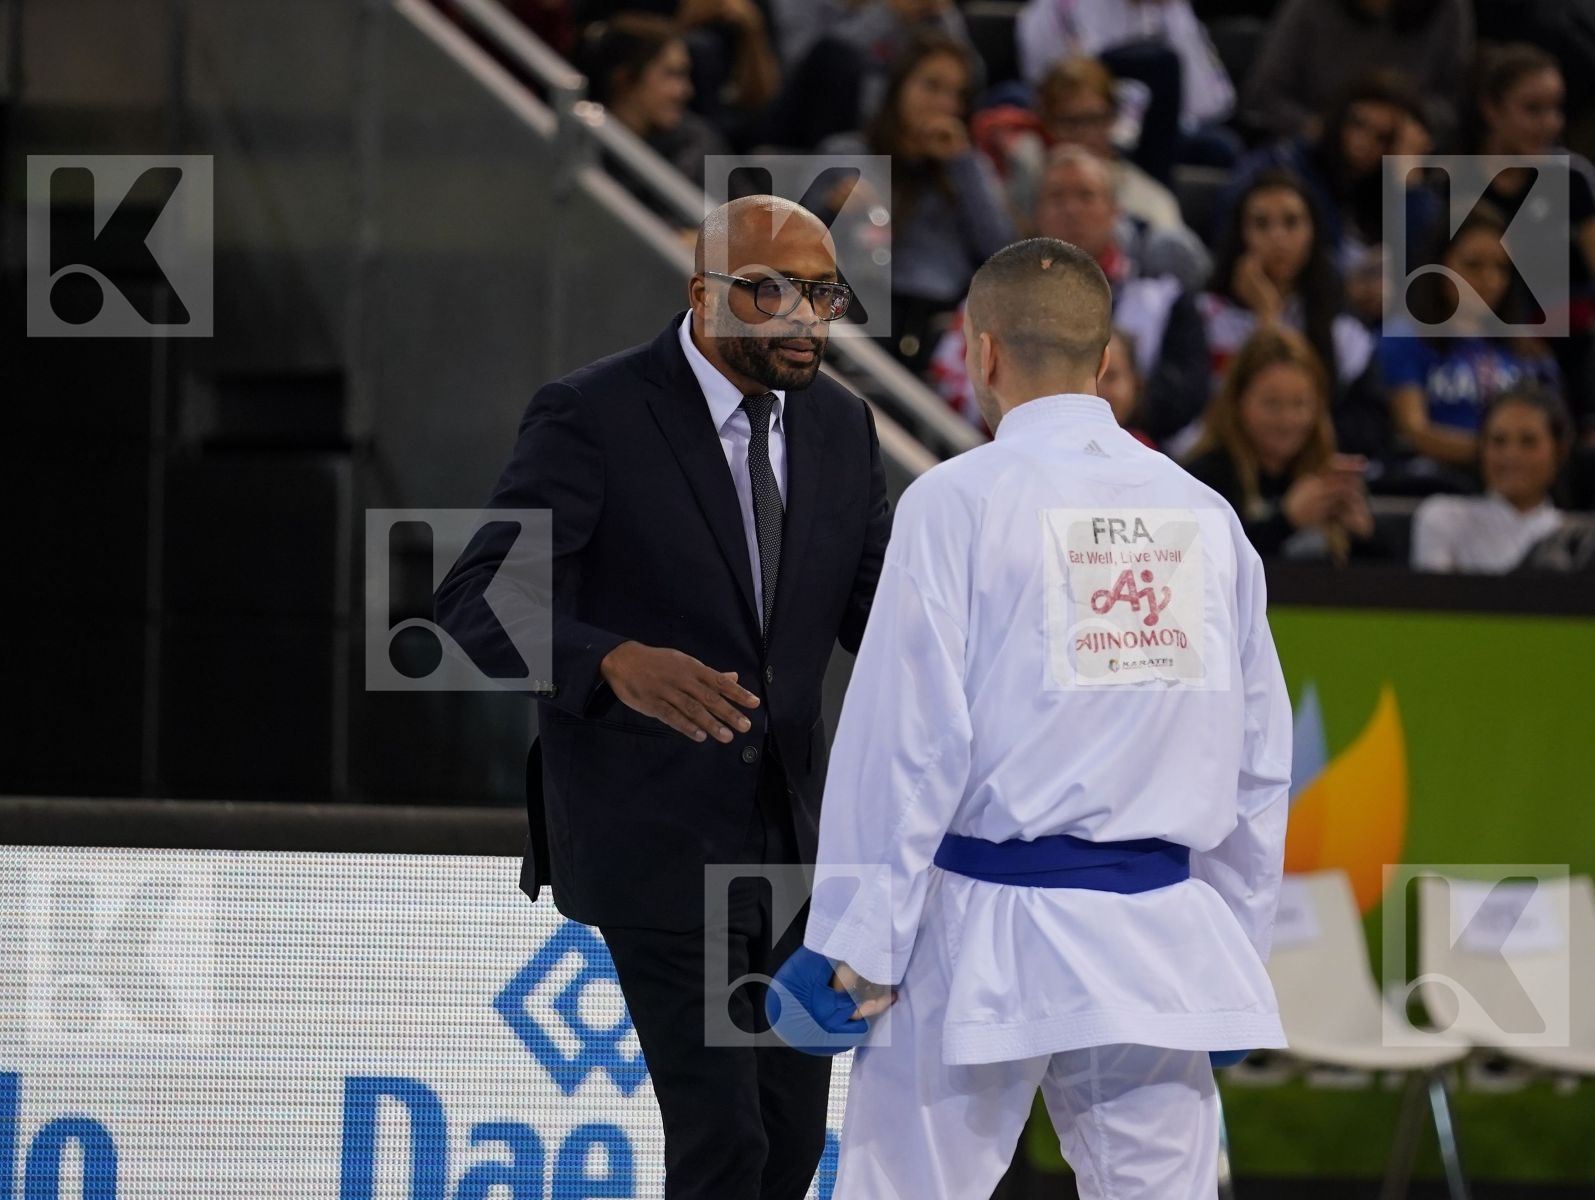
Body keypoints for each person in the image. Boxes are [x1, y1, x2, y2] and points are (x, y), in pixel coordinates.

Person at [776, 237, 1292, 1198]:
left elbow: (905, 744)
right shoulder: (1209, 519)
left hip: (983, 934)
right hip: (1158, 944)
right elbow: (1259, 767)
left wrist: (856, 943)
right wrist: (1232, 954)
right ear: (1105, 364)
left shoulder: (955, 503)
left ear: (980, 355)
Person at [434, 195, 891, 1198]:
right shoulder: (592, 413)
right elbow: (474, 604)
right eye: (769, 290)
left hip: (787, 851)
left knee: (779, 1152)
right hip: (653, 836)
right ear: (703, 294)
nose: (801, 317)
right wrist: (606, 661)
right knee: (723, 1144)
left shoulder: (843, 429)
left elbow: (892, 629)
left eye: (820, 293)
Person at [928, 146, 1210, 440]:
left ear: (1115, 211)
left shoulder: (1164, 299)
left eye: (1086, 196)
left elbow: (1185, 396)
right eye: (1057, 197)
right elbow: (950, 382)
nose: (1072, 210)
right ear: (1036, 213)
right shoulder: (991, 294)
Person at [819, 33, 1015, 370]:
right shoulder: (847, 154)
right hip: (855, 314)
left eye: (958, 95)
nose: (945, 104)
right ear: (899, 88)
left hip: (935, 324)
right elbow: (789, 239)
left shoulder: (968, 168)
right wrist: (831, 210)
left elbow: (1002, 252)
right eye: (932, 86)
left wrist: (962, 165)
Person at [1379, 206, 1562, 474]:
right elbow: (1415, 430)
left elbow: (1554, 430)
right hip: (1437, 484)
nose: (1489, 279)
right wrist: (1500, 457)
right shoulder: (1404, 337)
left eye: (1501, 267)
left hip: (1521, 489)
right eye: (1473, 265)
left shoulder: (1527, 348)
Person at [1184, 327, 1375, 562]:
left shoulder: (1328, 474)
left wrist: (1364, 534)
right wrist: (1286, 521)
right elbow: (1205, 564)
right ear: (1237, 402)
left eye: (1300, 404)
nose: (1287, 421)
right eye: (1271, 404)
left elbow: (1390, 579)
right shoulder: (1202, 479)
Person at [974, 56, 1195, 236]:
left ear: (1112, 120)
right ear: (1047, 124)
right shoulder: (1022, 170)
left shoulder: (1150, 201)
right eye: (1070, 122)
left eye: (1095, 119)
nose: (1084, 134)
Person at [1241, 0, 1473, 148]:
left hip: (1408, 152)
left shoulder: (1448, 10)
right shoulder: (1307, 8)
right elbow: (1264, 93)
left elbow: (1455, 101)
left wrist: (1398, 128)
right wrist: (1318, 129)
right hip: (1317, 152)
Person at [578, 13, 728, 218]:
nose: (685, 91)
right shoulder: (583, 151)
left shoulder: (697, 140)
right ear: (623, 79)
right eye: (672, 74)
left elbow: (752, 226)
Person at [1411, 385, 1571, 572]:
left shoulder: (1575, 542)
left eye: (1528, 441)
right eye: (1498, 440)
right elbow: (1433, 597)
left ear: (1559, 451)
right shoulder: (1443, 518)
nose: (1511, 455)